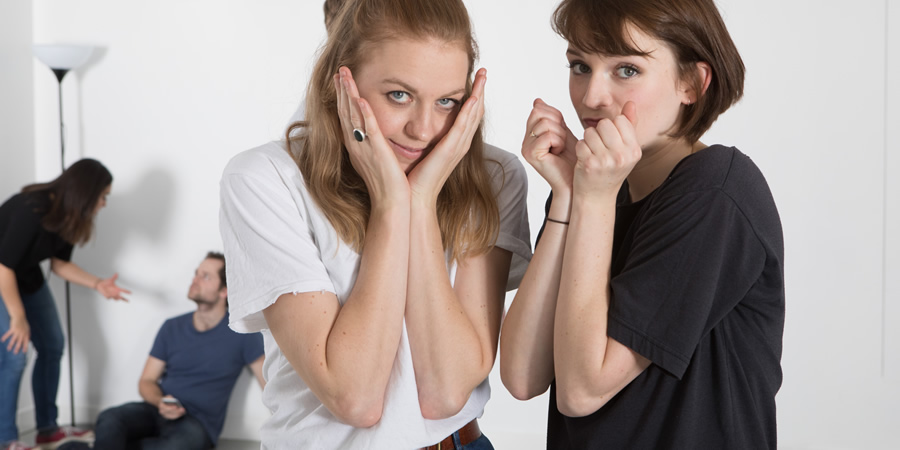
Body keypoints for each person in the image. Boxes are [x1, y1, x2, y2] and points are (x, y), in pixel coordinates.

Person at [219, 0, 531, 448]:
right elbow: (356, 397)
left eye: (447, 101)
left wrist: (420, 203)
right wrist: (390, 206)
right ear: (341, 81)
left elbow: (447, 391)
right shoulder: (266, 180)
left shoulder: (494, 178)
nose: (424, 130)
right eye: (399, 95)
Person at [499, 0, 784, 448]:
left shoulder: (717, 190)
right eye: (580, 65)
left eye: (626, 70)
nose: (591, 97)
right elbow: (521, 375)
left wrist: (592, 199)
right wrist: (571, 197)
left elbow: (582, 390)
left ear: (691, 82)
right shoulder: (594, 186)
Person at [0, 159, 129, 450]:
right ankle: (6, 439)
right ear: (87, 192)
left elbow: (59, 265)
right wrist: (18, 317)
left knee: (53, 345)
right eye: (102, 196)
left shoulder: (67, 217)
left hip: (26, 277)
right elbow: (3, 267)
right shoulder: (30, 209)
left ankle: (47, 429)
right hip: (2, 275)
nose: (104, 203)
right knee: (15, 353)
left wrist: (98, 284)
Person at [83, 252, 264, 450]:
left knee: (172, 447)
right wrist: (160, 401)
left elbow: (270, 384)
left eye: (206, 276)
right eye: (196, 273)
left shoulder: (241, 333)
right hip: (157, 410)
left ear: (224, 291)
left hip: (197, 423)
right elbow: (147, 381)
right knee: (110, 418)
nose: (195, 280)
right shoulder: (172, 327)